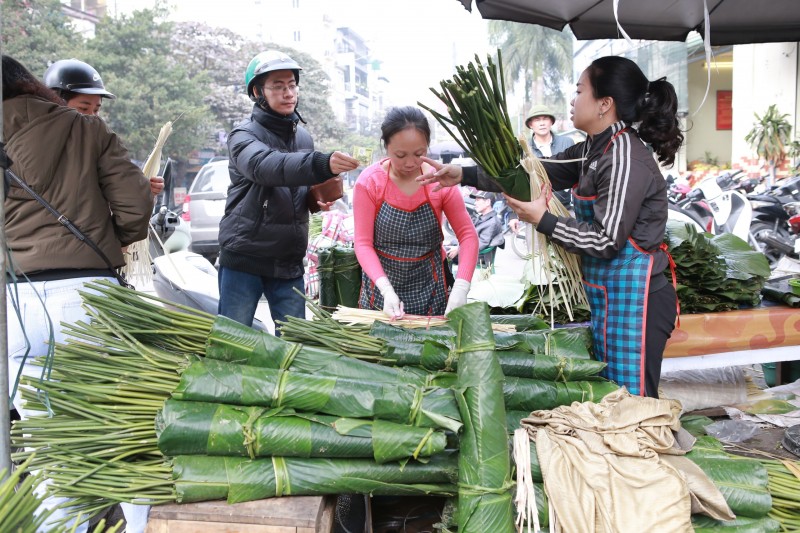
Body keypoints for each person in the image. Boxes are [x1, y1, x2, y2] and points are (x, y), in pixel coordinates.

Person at [418, 56, 682, 398]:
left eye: (580, 90)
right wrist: (463, 174)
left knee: (634, 409)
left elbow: (605, 241)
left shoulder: (624, 158)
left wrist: (542, 220)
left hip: (638, 301)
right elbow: (536, 170)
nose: (573, 100)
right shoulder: (594, 149)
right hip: (612, 296)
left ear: (605, 104)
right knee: (616, 403)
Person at [3, 54, 152, 532]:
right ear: (29, 83)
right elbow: (134, 202)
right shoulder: (87, 130)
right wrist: (111, 236)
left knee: (50, 444)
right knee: (121, 429)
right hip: (88, 294)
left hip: (16, 305)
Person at [218, 50, 358, 332]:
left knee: (296, 346)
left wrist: (317, 196)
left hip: (288, 260)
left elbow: (295, 190)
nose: (288, 93)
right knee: (233, 344)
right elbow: (265, 166)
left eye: (292, 85)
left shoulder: (303, 136)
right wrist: (320, 163)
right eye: (278, 86)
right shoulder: (243, 135)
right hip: (245, 256)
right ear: (258, 91)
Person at [353, 106, 478, 318]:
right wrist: (385, 289)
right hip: (381, 286)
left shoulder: (441, 180)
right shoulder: (369, 182)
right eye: (400, 155)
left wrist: (462, 286)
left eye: (419, 154)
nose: (410, 163)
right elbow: (363, 243)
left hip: (430, 288)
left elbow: (467, 236)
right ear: (386, 147)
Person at [44, 58, 164, 198]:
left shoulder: (100, 146)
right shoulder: (32, 144)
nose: (92, 117)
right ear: (55, 103)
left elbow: (113, 189)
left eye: (96, 110)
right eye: (83, 108)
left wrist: (141, 188)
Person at [447, 190, 504, 269]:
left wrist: (458, 249)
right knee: (443, 249)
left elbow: (480, 244)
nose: (475, 203)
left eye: (478, 200)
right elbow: (470, 238)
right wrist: (452, 242)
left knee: (441, 255)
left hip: (476, 257)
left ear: (487, 202)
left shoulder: (492, 223)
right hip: (470, 252)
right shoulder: (483, 218)